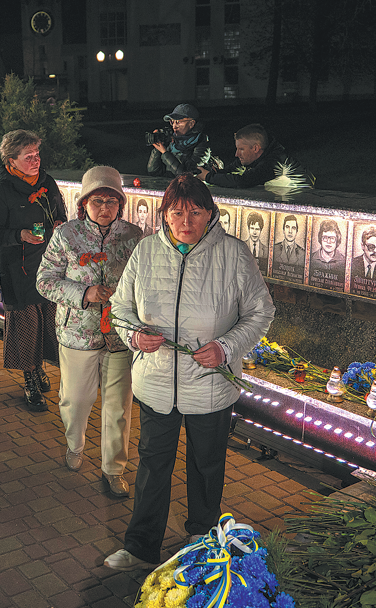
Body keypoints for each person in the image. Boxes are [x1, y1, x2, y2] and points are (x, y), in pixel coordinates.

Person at [103, 174, 274, 571]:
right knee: (152, 465)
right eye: (177, 212)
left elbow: (260, 311)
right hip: (157, 383)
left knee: (207, 466)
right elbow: (120, 307)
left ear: (211, 214)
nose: (186, 222)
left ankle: (202, 540)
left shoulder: (233, 254)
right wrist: (134, 335)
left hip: (211, 387)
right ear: (164, 214)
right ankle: (141, 547)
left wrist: (226, 347)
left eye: (196, 212)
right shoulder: (146, 251)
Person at [36, 166, 142, 497]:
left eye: (112, 201)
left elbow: (145, 282)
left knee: (118, 407)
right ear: (84, 203)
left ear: (121, 204)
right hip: (77, 333)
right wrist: (84, 293)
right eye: (97, 200)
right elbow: (45, 281)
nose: (105, 207)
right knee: (75, 399)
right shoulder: (66, 235)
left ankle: (113, 469)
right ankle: (75, 443)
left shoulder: (135, 236)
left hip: (120, 335)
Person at [0, 129, 67, 412]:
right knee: (26, 326)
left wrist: (59, 223)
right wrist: (19, 234)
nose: (35, 160)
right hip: (18, 270)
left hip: (49, 266)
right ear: (11, 161)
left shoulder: (47, 182)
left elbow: (61, 213)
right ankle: (29, 378)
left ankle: (39, 366)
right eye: (28, 156)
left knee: (47, 322)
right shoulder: (2, 191)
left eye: (37, 154)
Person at [198, 123, 314, 189]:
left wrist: (208, 177)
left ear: (255, 148)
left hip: (304, 204)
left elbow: (243, 181)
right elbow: (230, 171)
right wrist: (213, 172)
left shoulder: (275, 163)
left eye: (241, 149)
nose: (236, 154)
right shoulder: (252, 157)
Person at [147, 103, 217, 178]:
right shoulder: (172, 142)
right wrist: (158, 147)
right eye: (172, 122)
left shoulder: (201, 144)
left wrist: (165, 153)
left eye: (178, 122)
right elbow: (153, 172)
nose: (174, 126)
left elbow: (188, 175)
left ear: (191, 123)